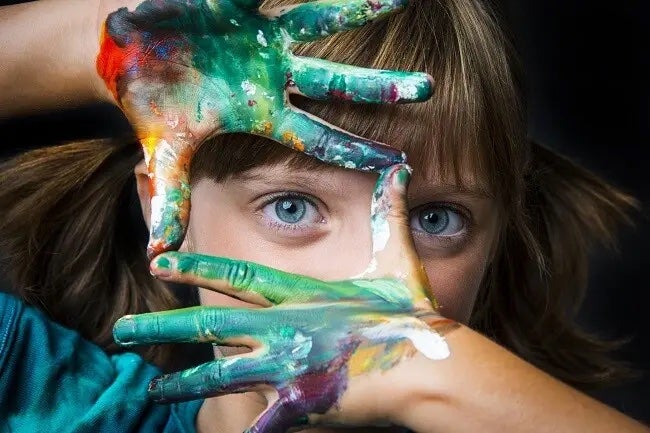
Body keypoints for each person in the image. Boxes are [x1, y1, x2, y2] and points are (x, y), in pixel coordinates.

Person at [0, 0, 647, 432]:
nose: (362, 278)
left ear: (499, 236)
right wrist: (105, 43)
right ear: (164, 206)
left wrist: (423, 366)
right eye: (292, 206)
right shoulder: (37, 394)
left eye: (436, 219)